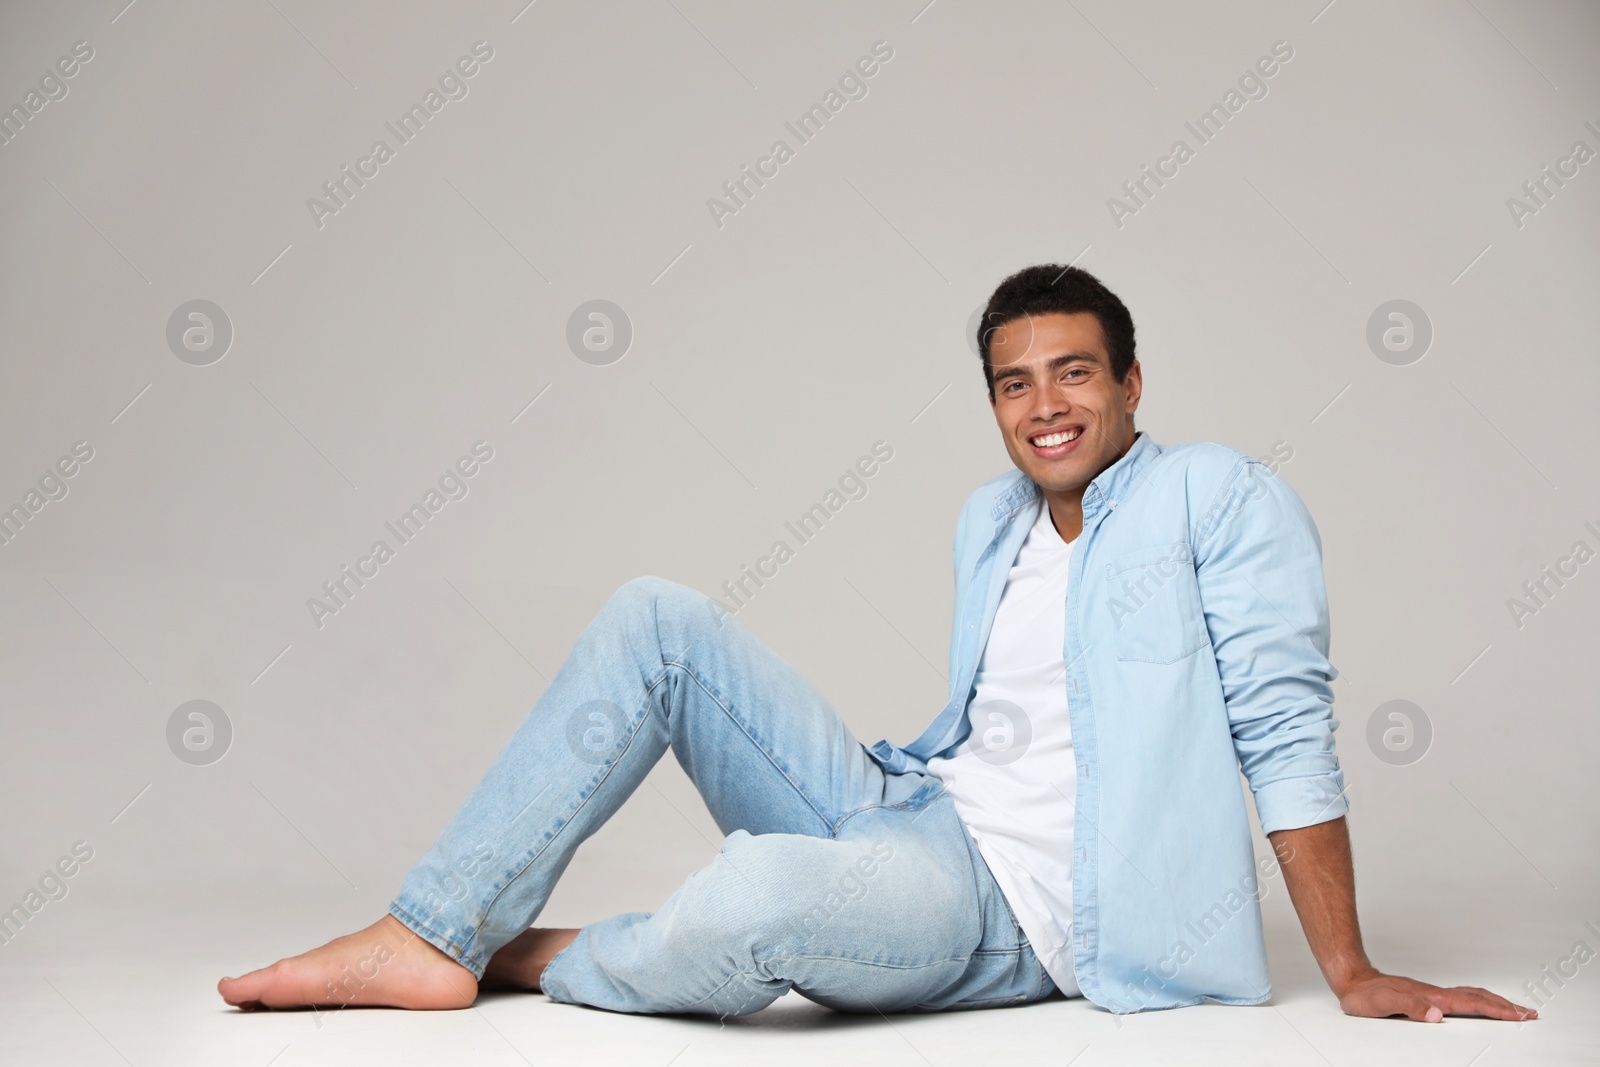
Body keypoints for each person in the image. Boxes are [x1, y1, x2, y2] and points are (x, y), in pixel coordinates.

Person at [218, 265, 1535, 1023]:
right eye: (1014, 383)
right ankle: (433, 924)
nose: (1045, 405)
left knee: (753, 899)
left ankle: (521, 952)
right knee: (654, 617)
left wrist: (1348, 970)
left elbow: (1283, 724)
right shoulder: (991, 519)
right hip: (911, 812)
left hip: (1011, 914)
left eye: (1075, 372)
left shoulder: (1219, 500)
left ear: (1134, 383)